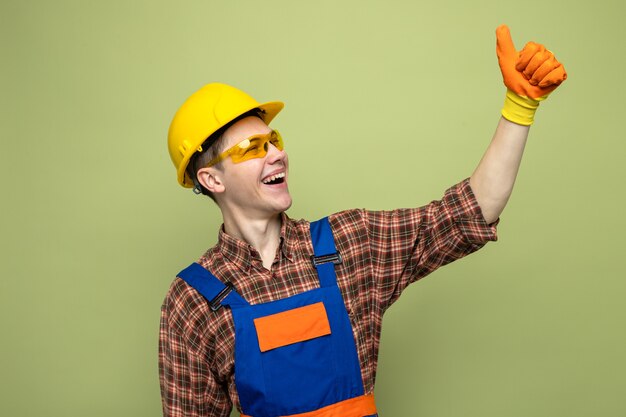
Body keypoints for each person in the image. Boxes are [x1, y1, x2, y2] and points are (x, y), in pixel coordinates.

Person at [159, 25, 566, 417]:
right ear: (212, 179)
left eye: (275, 140)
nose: (276, 154)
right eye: (253, 148)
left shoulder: (349, 244)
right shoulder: (194, 300)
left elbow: (468, 214)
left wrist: (520, 107)